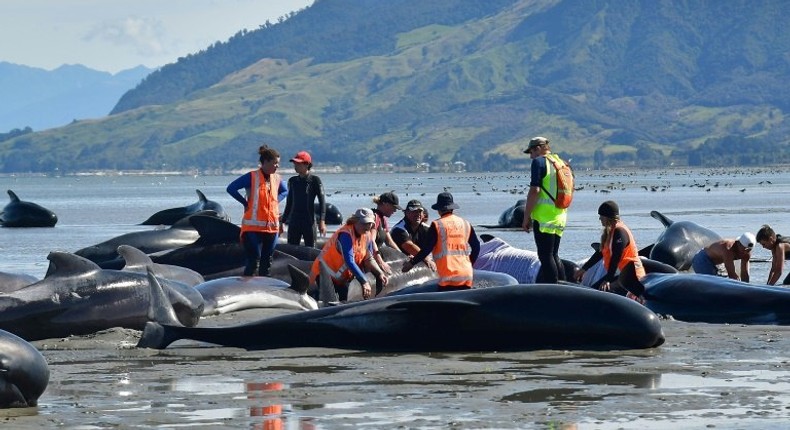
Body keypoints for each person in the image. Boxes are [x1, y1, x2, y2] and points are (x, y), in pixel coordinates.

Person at [226, 145, 288, 277]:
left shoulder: (276, 178)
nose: (277, 166)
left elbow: (285, 191)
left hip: (272, 228)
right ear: (265, 162)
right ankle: (247, 287)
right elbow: (231, 188)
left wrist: (276, 201)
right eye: (275, 163)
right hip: (252, 228)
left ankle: (264, 289)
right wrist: (245, 202)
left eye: (278, 163)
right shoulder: (252, 176)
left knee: (267, 262)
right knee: (254, 260)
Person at [402, 192, 480, 291]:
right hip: (466, 275)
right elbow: (477, 247)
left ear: (439, 210)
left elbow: (426, 249)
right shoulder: (465, 223)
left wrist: (411, 263)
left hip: (448, 276)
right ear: (452, 208)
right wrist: (469, 263)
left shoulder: (437, 225)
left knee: (447, 305)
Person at [311, 208, 389, 302]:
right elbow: (349, 261)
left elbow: (369, 258)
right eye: (364, 223)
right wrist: (364, 281)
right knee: (328, 303)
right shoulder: (346, 235)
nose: (368, 226)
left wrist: (379, 273)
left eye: (370, 223)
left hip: (341, 278)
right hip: (323, 275)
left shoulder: (366, 235)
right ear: (355, 221)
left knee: (344, 300)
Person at [574, 201, 646, 300]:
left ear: (608, 217)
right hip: (620, 275)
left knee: (601, 294)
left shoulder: (619, 231)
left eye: (601, 216)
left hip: (632, 277)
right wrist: (584, 269)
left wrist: (608, 280)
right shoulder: (611, 232)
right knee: (593, 291)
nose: (599, 218)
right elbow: (600, 253)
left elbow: (616, 257)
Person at [522, 136, 567, 283]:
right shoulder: (560, 163)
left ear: (539, 148)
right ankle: (565, 287)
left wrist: (526, 216)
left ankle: (554, 289)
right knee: (554, 254)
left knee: (545, 255)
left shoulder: (539, 162)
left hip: (544, 217)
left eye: (531, 152)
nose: (531, 156)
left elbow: (534, 190)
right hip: (560, 215)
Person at [279, 150, 326, 247]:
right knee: (291, 248)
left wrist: (322, 221)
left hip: (309, 221)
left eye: (298, 163)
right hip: (294, 221)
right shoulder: (292, 181)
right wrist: (282, 222)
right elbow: (289, 203)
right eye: (295, 163)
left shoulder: (315, 180)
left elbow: (322, 202)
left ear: (306, 164)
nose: (295, 166)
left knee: (311, 248)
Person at [390, 199, 436, 271]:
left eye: (419, 211)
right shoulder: (399, 229)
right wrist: (427, 259)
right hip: (398, 263)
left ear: (423, 214)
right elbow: (409, 246)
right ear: (406, 213)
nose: (417, 214)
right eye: (414, 211)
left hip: (415, 261)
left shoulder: (426, 228)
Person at [370, 192, 401, 273]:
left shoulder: (383, 219)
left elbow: (389, 242)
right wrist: (380, 262)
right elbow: (371, 241)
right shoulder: (374, 218)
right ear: (385, 204)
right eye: (394, 207)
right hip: (367, 258)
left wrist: (403, 256)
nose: (395, 210)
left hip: (374, 257)